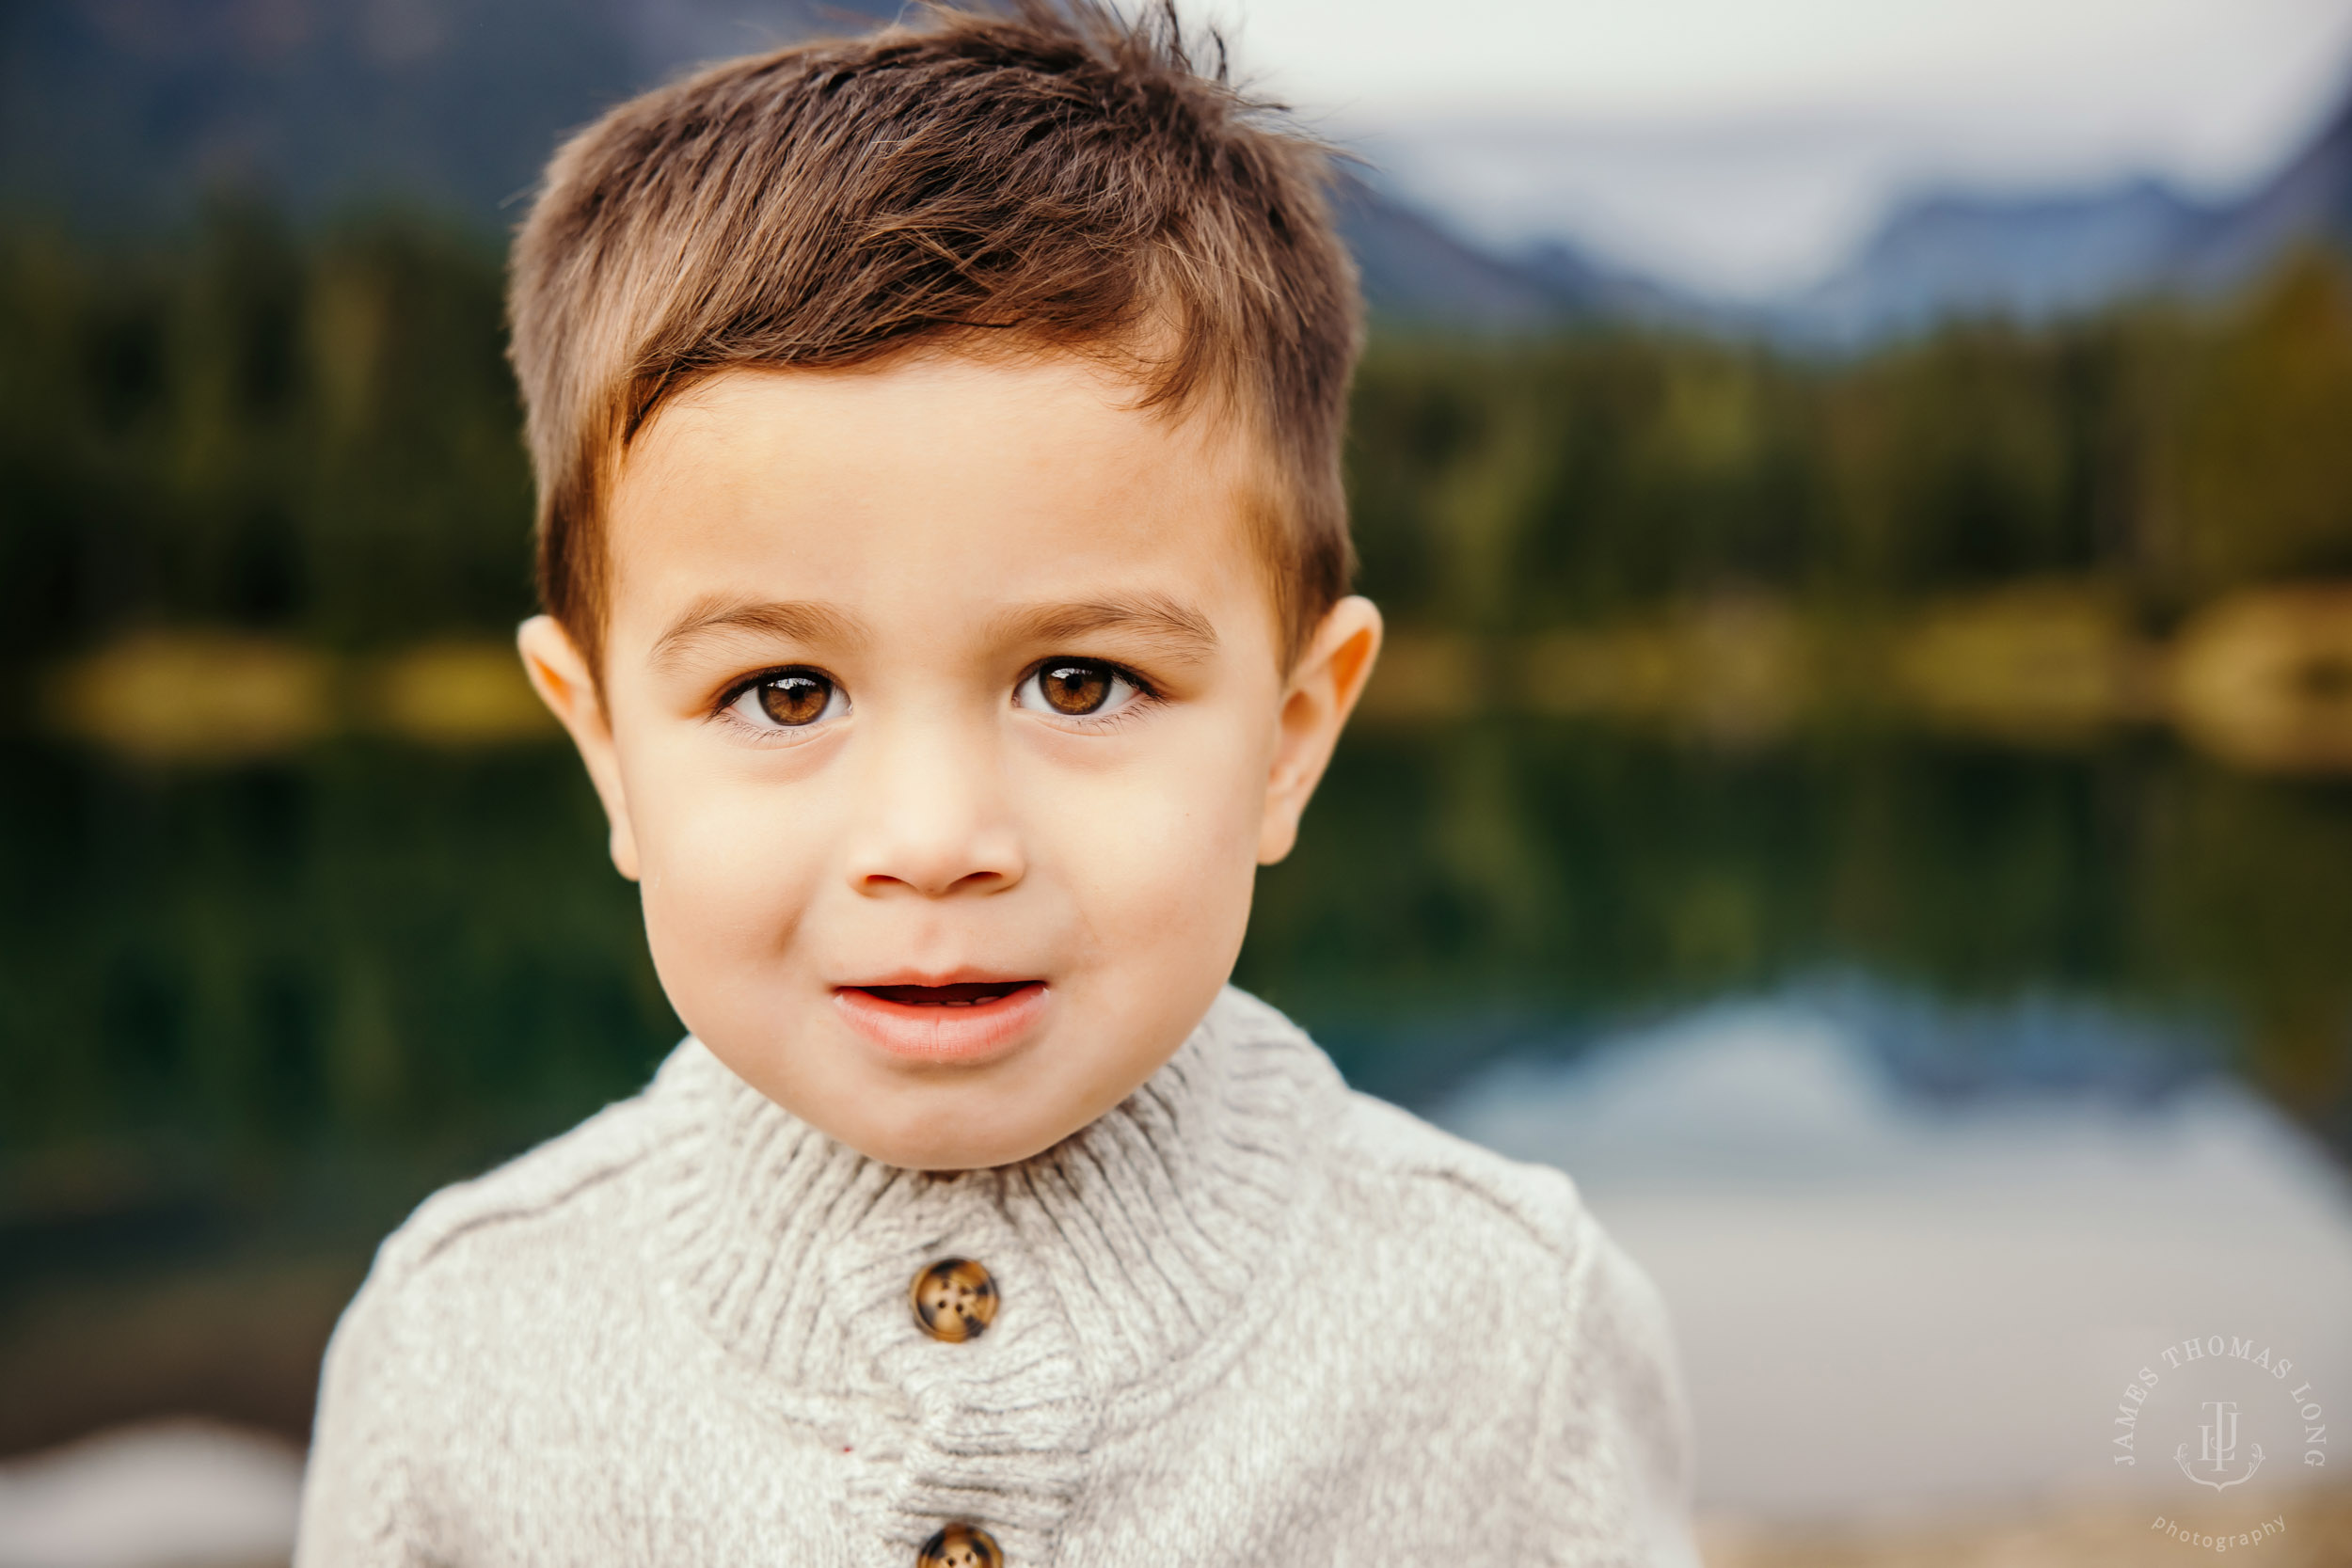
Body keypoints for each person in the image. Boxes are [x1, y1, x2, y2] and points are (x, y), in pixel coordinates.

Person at [294, 4, 1693, 1562]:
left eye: (1080, 683)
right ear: (606, 746)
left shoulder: (1512, 1329)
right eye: (784, 692)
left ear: (1293, 734)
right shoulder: (459, 1346)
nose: (936, 842)